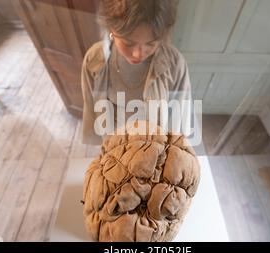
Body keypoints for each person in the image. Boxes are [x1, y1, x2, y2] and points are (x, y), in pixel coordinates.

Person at [81, 0, 192, 145]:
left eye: (151, 44)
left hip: (155, 152)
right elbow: (91, 111)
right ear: (111, 30)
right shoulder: (94, 61)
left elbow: (179, 123)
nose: (138, 54)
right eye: (128, 43)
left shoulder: (175, 65)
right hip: (115, 149)